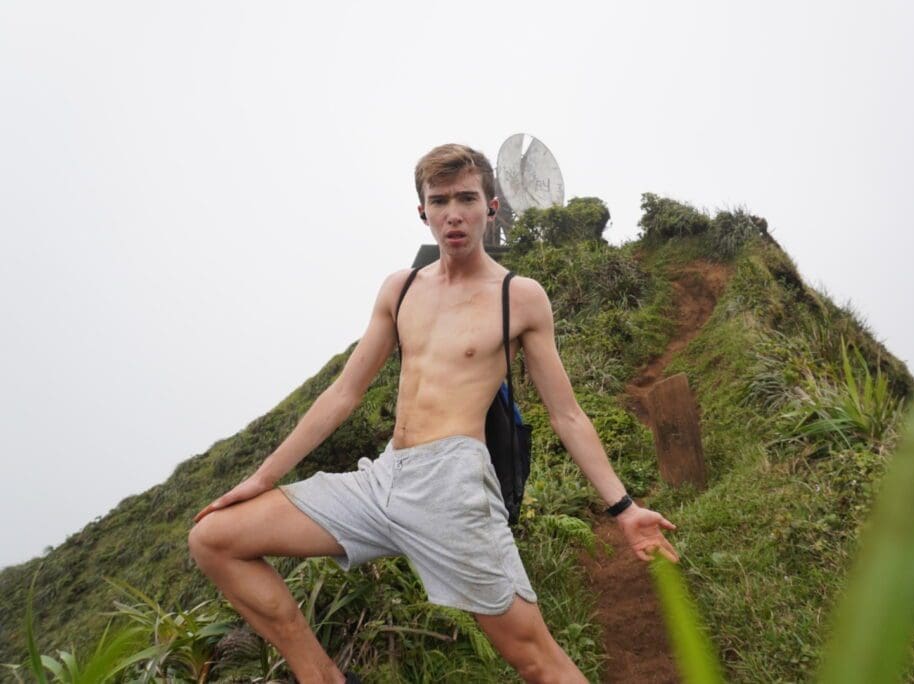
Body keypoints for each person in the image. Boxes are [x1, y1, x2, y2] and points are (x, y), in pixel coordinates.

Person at [188, 143, 679, 683]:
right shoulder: (400, 290)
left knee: (537, 661)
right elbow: (343, 393)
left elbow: (568, 416)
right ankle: (322, 677)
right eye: (439, 200)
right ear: (422, 211)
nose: (453, 213)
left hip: (453, 488)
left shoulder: (519, 296)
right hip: (382, 479)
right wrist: (261, 478)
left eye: (466, 198)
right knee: (213, 538)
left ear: (491, 205)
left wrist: (624, 508)